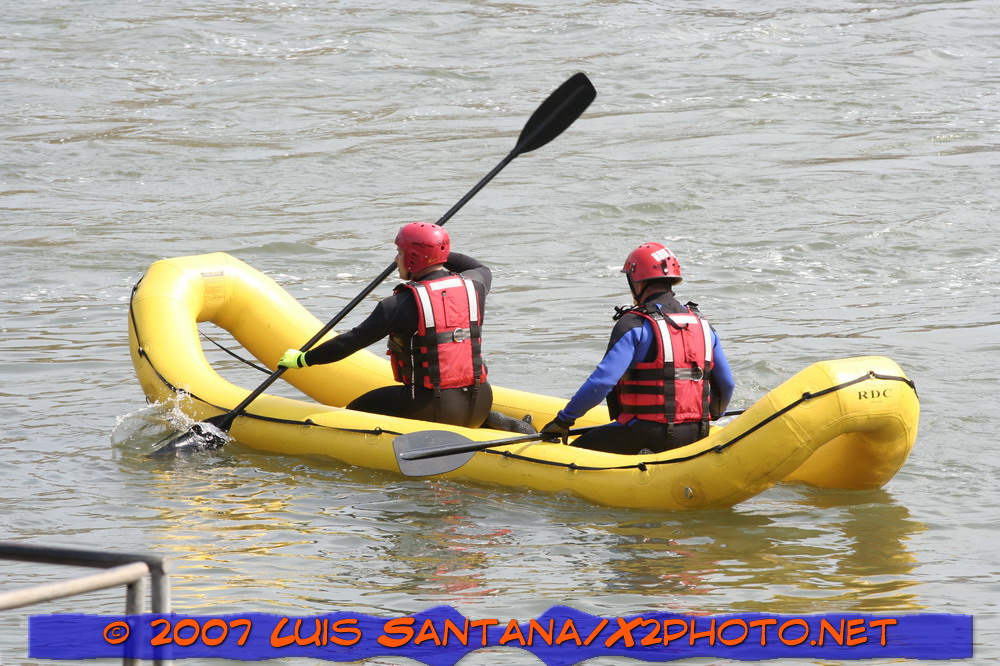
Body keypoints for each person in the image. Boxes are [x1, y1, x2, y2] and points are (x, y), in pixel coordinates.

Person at [277, 222, 496, 429]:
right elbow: (478, 266)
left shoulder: (398, 304)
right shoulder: (476, 284)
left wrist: (303, 359)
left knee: (357, 409)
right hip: (481, 401)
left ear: (413, 258)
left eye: (400, 253)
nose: (395, 259)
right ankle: (507, 424)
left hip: (431, 408)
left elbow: (348, 344)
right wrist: (435, 252)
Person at [540, 242, 735, 454]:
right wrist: (712, 415)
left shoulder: (634, 324)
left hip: (644, 433)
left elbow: (601, 382)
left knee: (574, 451)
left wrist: (564, 420)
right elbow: (726, 384)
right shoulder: (704, 325)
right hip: (698, 433)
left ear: (636, 280)